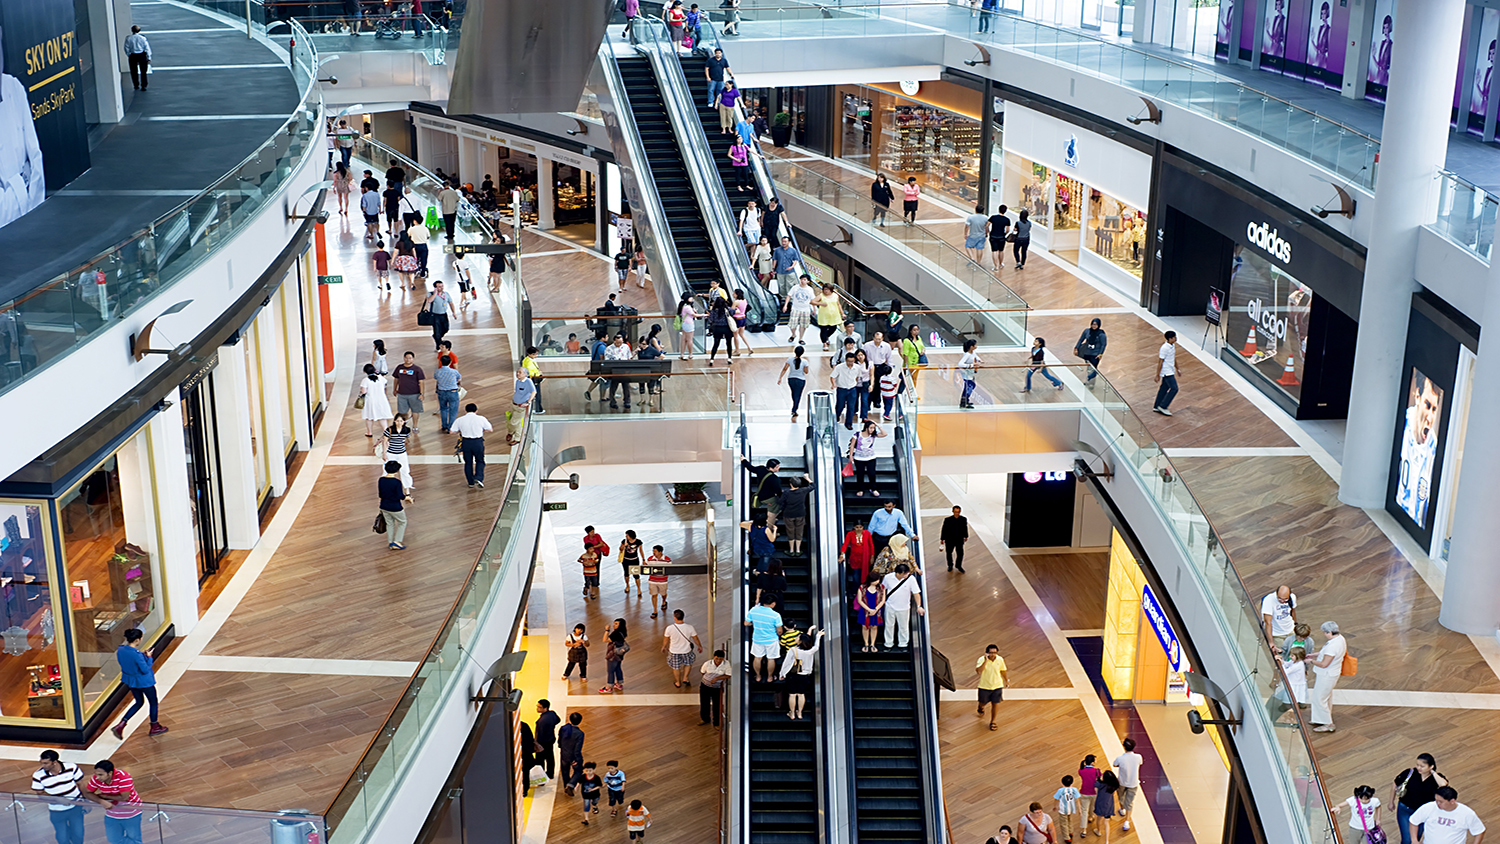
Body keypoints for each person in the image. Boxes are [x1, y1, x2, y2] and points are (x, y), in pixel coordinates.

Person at [108, 630, 165, 739]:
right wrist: (149, 658)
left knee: (139, 702)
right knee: (153, 703)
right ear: (137, 640)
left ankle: (121, 724)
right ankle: (154, 726)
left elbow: (128, 661)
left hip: (131, 681)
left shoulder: (121, 650)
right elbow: (145, 669)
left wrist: (142, 656)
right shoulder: (137, 655)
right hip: (144, 682)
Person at [1393, 754, 1450, 844]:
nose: (1419, 768)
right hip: (1405, 809)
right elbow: (1395, 783)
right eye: (1417, 765)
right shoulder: (1410, 773)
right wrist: (1391, 802)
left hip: (1424, 813)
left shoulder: (1435, 778)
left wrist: (1433, 772)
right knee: (1407, 840)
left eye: (1422, 766)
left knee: (1416, 838)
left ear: (1431, 766)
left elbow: (1443, 784)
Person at [33, 750, 86, 844]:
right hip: (56, 811)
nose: (43, 766)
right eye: (41, 763)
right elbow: (40, 794)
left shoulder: (71, 767)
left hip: (76, 807)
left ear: (54, 762)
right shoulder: (38, 775)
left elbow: (81, 784)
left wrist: (86, 802)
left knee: (79, 834)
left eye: (46, 763)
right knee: (62, 838)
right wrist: (56, 799)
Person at [83, 761, 142, 844]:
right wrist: (101, 801)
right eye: (96, 774)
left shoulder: (123, 777)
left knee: (134, 838)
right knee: (113, 839)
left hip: (131, 813)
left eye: (100, 775)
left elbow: (124, 797)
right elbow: (87, 793)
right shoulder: (97, 779)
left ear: (110, 773)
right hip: (112, 813)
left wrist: (105, 796)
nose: (97, 777)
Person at [1306, 620, 1348, 732]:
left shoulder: (1332, 646)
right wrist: (1314, 655)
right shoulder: (1340, 639)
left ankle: (1328, 724)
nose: (1324, 635)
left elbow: (1324, 664)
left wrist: (1311, 661)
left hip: (1327, 675)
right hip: (1331, 673)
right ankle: (1318, 718)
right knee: (1326, 697)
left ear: (1329, 632)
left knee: (1319, 698)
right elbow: (1325, 653)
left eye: (1325, 632)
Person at [778, 628, 826, 719]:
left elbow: (786, 663)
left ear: (800, 641)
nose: (796, 638)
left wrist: (782, 674)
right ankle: (799, 713)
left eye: (797, 637)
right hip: (805, 676)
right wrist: (818, 636)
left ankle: (792, 713)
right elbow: (817, 646)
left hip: (793, 675)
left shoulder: (793, 650)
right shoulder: (811, 650)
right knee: (801, 694)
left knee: (792, 695)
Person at [1409, 786, 1485, 844]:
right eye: (1436, 800)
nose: (1437, 804)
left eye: (1440, 802)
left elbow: (1479, 832)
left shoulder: (1467, 814)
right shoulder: (1428, 807)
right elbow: (1413, 822)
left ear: (1452, 801)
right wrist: (1414, 840)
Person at [880, 563, 924, 649]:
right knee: (889, 625)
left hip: (904, 607)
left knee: (903, 626)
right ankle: (888, 643)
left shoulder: (911, 579)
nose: (907, 575)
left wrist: (919, 606)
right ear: (899, 573)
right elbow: (883, 589)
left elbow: (916, 593)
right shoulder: (888, 577)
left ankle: (903, 643)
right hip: (890, 606)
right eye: (905, 573)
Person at [744, 594, 784, 682]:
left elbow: (746, 623)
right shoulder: (775, 615)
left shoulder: (753, 610)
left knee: (757, 658)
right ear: (773, 604)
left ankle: (758, 676)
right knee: (771, 659)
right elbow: (780, 631)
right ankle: (770, 677)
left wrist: (754, 624)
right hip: (771, 640)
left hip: (757, 639)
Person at [453, 403, 493, 488]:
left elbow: (452, 431)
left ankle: (470, 482)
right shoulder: (481, 419)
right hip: (477, 442)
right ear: (476, 411)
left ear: (465, 411)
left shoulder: (460, 420)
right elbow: (490, 429)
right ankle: (478, 477)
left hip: (466, 442)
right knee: (480, 461)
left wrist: (460, 431)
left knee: (468, 463)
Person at [663, 609, 704, 688]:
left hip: (674, 651)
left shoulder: (670, 628)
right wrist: (699, 646)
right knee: (688, 664)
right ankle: (685, 678)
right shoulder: (690, 627)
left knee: (676, 667)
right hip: (686, 650)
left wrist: (664, 646)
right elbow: (695, 638)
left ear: (675, 617)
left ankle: (678, 682)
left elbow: (666, 639)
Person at [847, 420, 887, 498]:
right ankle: (860, 489)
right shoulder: (857, 435)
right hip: (859, 458)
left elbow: (884, 434)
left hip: (871, 457)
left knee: (871, 474)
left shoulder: (873, 435)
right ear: (866, 427)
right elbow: (852, 446)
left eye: (873, 428)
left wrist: (878, 425)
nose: (872, 430)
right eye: (871, 428)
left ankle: (873, 488)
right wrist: (851, 456)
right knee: (860, 474)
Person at [779, 478, 815, 556]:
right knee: (799, 531)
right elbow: (813, 486)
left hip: (788, 515)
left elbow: (780, 503)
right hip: (800, 514)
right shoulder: (803, 491)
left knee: (790, 531)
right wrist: (807, 478)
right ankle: (798, 550)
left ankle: (791, 550)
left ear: (791, 484)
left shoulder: (786, 493)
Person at [975, 643, 1008, 730]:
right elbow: (979, 671)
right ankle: (980, 707)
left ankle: (993, 721)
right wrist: (986, 661)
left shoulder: (1000, 659)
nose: (993, 655)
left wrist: (1006, 680)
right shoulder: (981, 660)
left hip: (997, 686)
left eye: (995, 653)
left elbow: (1003, 670)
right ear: (987, 653)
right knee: (983, 702)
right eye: (991, 653)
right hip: (984, 686)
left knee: (995, 704)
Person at [1113, 738, 1143, 831]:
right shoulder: (1138, 757)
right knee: (1129, 802)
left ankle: (1122, 809)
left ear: (1124, 747)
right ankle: (1127, 821)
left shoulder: (1120, 758)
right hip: (1133, 783)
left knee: (1121, 796)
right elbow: (1140, 763)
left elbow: (1115, 764)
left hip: (1122, 782)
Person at [393, 352, 425, 432]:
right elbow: (396, 379)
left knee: (415, 411)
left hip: (414, 394)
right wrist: (395, 389)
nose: (408, 360)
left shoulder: (417, 369)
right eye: (406, 358)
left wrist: (422, 393)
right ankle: (404, 426)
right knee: (402, 412)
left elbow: (421, 382)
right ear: (404, 358)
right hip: (402, 394)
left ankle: (415, 426)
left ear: (413, 359)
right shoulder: (399, 368)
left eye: (410, 358)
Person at [842, 521, 876, 597]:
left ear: (863, 527)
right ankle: (856, 591)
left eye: (860, 527)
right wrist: (842, 553)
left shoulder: (867, 534)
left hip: (865, 558)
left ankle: (865, 590)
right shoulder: (850, 534)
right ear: (854, 527)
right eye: (857, 527)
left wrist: (872, 556)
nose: (859, 529)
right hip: (855, 559)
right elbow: (845, 544)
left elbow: (871, 545)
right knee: (856, 577)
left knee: (866, 575)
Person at [1261, 585, 1298, 652]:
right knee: (1283, 654)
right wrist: (1271, 642)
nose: (1282, 601)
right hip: (1277, 634)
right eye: (1280, 598)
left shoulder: (1292, 597)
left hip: (1290, 630)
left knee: (1295, 652)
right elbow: (1268, 622)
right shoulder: (1269, 600)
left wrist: (1295, 624)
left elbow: (1292, 611)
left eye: (1285, 599)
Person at [430, 355, 462, 434]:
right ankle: (451, 427)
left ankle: (444, 425)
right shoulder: (454, 371)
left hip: (442, 392)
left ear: (441, 362)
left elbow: (436, 377)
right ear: (450, 362)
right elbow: (459, 378)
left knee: (443, 409)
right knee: (453, 410)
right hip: (452, 392)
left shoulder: (437, 372)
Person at [832, 352, 863, 430]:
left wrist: (854, 384)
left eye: (852, 361)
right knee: (840, 406)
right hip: (841, 389)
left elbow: (858, 377)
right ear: (845, 360)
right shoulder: (839, 367)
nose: (850, 363)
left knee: (851, 407)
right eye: (849, 361)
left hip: (852, 389)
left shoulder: (857, 367)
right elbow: (832, 376)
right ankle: (836, 417)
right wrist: (834, 384)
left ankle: (848, 423)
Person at [423, 280, 457, 351]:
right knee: (437, 331)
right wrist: (435, 294)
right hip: (435, 316)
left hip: (444, 315)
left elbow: (451, 303)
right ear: (435, 288)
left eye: (442, 286)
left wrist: (453, 312)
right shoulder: (431, 294)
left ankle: (436, 337)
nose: (441, 288)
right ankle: (438, 346)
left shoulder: (446, 294)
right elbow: (429, 300)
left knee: (446, 328)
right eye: (439, 287)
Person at [360, 364, 393, 438]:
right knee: (382, 417)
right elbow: (385, 384)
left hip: (370, 401)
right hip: (381, 399)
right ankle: (386, 431)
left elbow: (364, 392)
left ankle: (369, 432)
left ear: (365, 371)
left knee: (369, 417)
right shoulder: (381, 378)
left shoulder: (365, 381)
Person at [700, 649, 731, 725]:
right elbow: (702, 672)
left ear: (723, 658)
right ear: (714, 657)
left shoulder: (726, 664)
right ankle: (705, 719)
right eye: (716, 658)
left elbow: (728, 675)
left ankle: (716, 722)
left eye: (720, 659)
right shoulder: (707, 664)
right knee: (704, 703)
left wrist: (717, 678)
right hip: (705, 686)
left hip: (717, 688)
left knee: (717, 705)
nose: (718, 661)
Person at [778, 345, 811, 419]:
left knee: (793, 393)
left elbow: (784, 369)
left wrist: (780, 378)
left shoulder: (789, 360)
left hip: (791, 379)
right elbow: (806, 372)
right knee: (798, 395)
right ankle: (794, 409)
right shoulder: (805, 361)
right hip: (800, 380)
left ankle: (794, 407)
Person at [1074, 318, 1108, 387]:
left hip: (1095, 354)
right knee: (1089, 368)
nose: (1094, 326)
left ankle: (1090, 380)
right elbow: (1081, 339)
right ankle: (1088, 380)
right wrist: (1076, 348)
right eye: (1093, 324)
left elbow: (1103, 345)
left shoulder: (1101, 334)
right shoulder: (1087, 331)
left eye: (1095, 325)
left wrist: (1100, 354)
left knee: (1094, 369)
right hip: (1087, 353)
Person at [557, 712, 585, 793]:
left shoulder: (563, 728)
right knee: (579, 771)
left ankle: (566, 785)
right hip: (573, 756)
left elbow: (560, 740)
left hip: (564, 754)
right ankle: (570, 784)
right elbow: (577, 748)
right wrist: (576, 759)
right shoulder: (580, 734)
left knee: (565, 771)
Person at [1153, 330, 1179, 416]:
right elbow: (1160, 361)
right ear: (1170, 338)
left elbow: (1173, 357)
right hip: (1167, 372)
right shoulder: (1164, 348)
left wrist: (1177, 368)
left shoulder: (1172, 346)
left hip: (1171, 370)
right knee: (1174, 388)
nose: (1176, 338)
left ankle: (1157, 406)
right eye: (1174, 337)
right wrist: (1157, 374)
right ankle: (1163, 406)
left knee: (1164, 388)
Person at [534, 700, 561, 778]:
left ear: (545, 708)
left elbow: (540, 733)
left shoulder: (542, 721)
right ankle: (550, 773)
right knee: (550, 757)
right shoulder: (552, 714)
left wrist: (537, 744)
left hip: (542, 742)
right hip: (550, 739)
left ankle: (541, 776)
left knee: (540, 759)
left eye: (539, 707)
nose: (537, 708)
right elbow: (558, 720)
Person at [601, 619, 629, 694]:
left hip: (612, 655)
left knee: (610, 671)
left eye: (616, 624)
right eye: (614, 623)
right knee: (618, 668)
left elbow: (605, 640)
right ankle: (619, 684)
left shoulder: (615, 633)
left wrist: (607, 630)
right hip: (619, 654)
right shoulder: (623, 632)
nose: (614, 625)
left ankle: (609, 687)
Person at [940, 505, 968, 572]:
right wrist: (942, 539)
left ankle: (958, 565)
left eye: (958, 512)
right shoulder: (947, 520)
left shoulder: (963, 519)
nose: (957, 513)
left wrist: (966, 536)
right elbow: (944, 529)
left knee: (960, 553)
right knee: (949, 553)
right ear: (953, 511)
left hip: (959, 539)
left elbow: (965, 528)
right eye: (955, 512)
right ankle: (950, 565)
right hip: (949, 539)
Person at [1055, 776, 1082, 844]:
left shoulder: (1060, 790)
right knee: (1070, 820)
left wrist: (1055, 806)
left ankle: (1067, 838)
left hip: (1063, 810)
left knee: (1063, 824)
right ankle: (1070, 832)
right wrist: (1080, 810)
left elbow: (1056, 798)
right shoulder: (1074, 789)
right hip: (1071, 808)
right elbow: (1078, 799)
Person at [707, 297, 735, 364]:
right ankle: (729, 358)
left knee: (716, 344)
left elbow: (710, 319)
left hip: (717, 328)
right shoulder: (727, 309)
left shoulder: (714, 310)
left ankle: (712, 359)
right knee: (729, 343)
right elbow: (734, 312)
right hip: (726, 328)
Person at [646, 545, 671, 618]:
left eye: (655, 551)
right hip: (652, 581)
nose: (653, 553)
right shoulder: (650, 559)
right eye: (653, 551)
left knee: (663, 594)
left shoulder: (667, 560)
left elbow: (669, 570)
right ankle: (655, 610)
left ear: (660, 552)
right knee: (654, 595)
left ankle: (664, 601)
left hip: (662, 581)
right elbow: (646, 568)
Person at [124, 26, 152, 91]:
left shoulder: (128, 38)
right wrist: (148, 57)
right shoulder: (142, 38)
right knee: (143, 71)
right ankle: (144, 85)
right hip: (141, 55)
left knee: (133, 71)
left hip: (133, 55)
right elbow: (147, 48)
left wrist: (129, 54)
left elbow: (126, 47)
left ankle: (136, 85)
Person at [618, 529, 644, 596]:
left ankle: (639, 588)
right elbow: (620, 549)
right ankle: (627, 585)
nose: (626, 537)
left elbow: (641, 551)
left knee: (636, 575)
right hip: (626, 560)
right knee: (626, 574)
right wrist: (624, 545)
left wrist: (643, 559)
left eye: (627, 536)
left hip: (634, 560)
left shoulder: (638, 541)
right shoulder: (624, 541)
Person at [1079, 755, 1100, 830]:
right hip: (1094, 792)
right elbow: (1100, 777)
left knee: (1084, 811)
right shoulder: (1096, 771)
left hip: (1084, 792)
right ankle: (1091, 816)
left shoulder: (1081, 771)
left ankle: (1084, 830)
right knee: (1092, 806)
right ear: (1092, 762)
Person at [987, 204, 1011, 271]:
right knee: (1001, 250)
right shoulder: (1007, 220)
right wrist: (1004, 234)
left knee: (994, 251)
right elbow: (1007, 230)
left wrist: (988, 232)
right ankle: (1000, 264)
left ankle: (996, 266)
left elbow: (987, 225)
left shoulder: (993, 217)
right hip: (1001, 237)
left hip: (993, 236)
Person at [521, 345, 545, 413]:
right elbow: (530, 371)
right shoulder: (528, 362)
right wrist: (538, 374)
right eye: (535, 354)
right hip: (534, 379)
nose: (536, 355)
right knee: (536, 394)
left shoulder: (528, 360)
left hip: (533, 379)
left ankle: (537, 408)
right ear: (530, 354)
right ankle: (538, 409)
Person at [959, 339, 981, 408]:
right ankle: (964, 401)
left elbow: (975, 356)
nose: (976, 346)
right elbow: (960, 364)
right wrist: (971, 365)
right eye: (975, 345)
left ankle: (965, 401)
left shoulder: (972, 353)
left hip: (970, 373)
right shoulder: (967, 355)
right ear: (971, 346)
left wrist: (979, 360)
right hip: (966, 373)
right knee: (969, 386)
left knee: (969, 386)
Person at [677, 294, 700, 360]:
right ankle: (690, 354)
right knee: (689, 340)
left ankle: (682, 354)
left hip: (684, 323)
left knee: (683, 339)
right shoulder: (687, 307)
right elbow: (694, 315)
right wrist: (704, 315)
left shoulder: (682, 305)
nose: (692, 298)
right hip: (689, 324)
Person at [732, 289, 752, 356]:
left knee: (735, 336)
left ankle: (737, 350)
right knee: (742, 334)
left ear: (737, 294)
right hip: (743, 318)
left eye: (734, 293)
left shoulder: (736, 302)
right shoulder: (745, 300)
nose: (733, 294)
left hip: (737, 319)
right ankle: (749, 347)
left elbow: (731, 310)